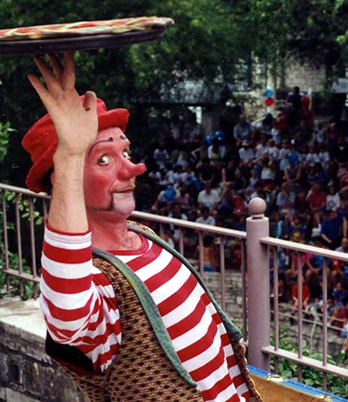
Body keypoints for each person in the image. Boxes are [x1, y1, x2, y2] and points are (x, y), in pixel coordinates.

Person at [25, 53, 257, 402]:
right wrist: (71, 155)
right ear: (64, 179)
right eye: (104, 159)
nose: (134, 169)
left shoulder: (143, 236)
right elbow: (68, 320)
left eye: (127, 154)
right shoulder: (100, 278)